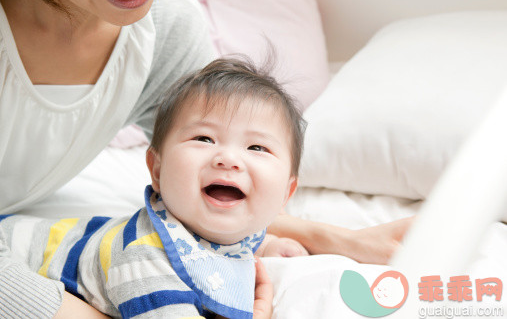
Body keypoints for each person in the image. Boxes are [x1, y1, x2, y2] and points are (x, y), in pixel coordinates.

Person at [0, 0, 411, 317]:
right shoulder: (138, 256)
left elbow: (204, 181)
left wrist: (333, 238)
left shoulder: (164, 27)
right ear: (151, 168)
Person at [0, 57, 310, 318]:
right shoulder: (145, 258)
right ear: (157, 170)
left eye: (257, 147)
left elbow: (226, 240)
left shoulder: (228, 230)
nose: (228, 159)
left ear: (286, 192)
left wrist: (265, 245)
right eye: (204, 138)